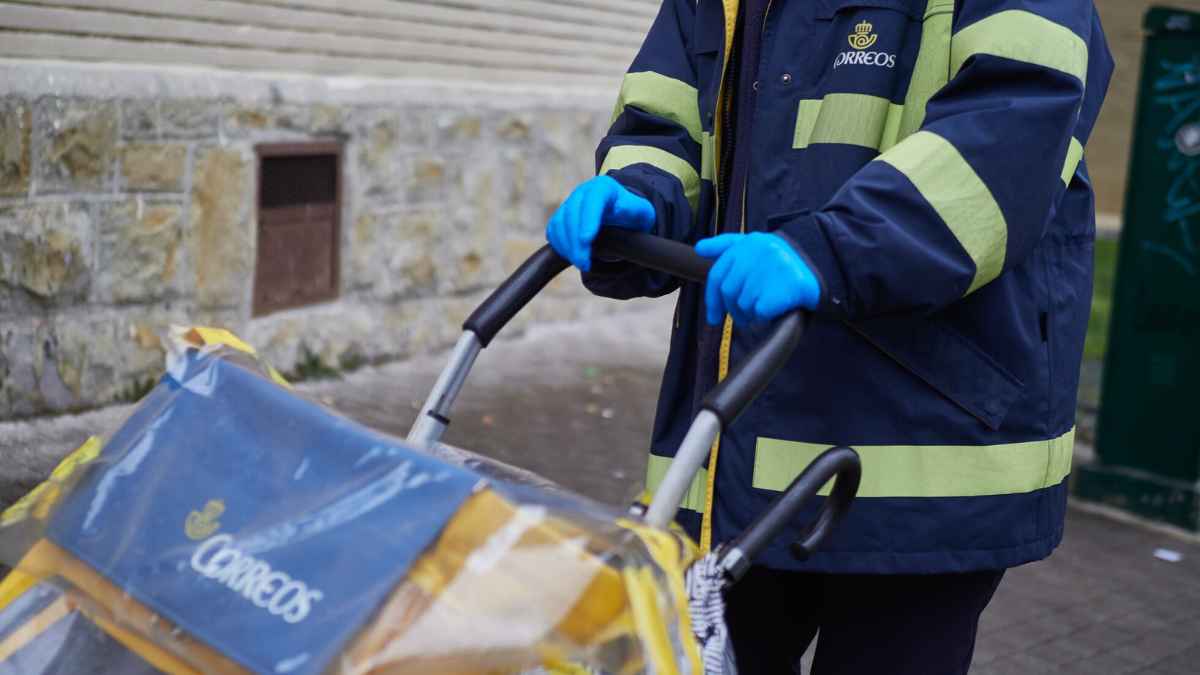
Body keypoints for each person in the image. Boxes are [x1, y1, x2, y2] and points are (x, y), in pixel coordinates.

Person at [546, 1, 1112, 673]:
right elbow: (669, 118)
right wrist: (640, 196)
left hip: (924, 450)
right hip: (744, 443)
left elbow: (1010, 135)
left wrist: (832, 250)